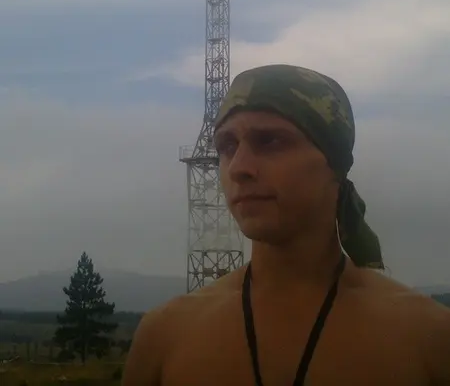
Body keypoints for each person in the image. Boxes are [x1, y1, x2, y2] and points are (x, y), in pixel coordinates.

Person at [122, 65, 450, 385]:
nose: (238, 168)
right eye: (227, 146)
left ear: (334, 163)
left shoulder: (428, 338)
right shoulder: (166, 335)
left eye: (270, 141)